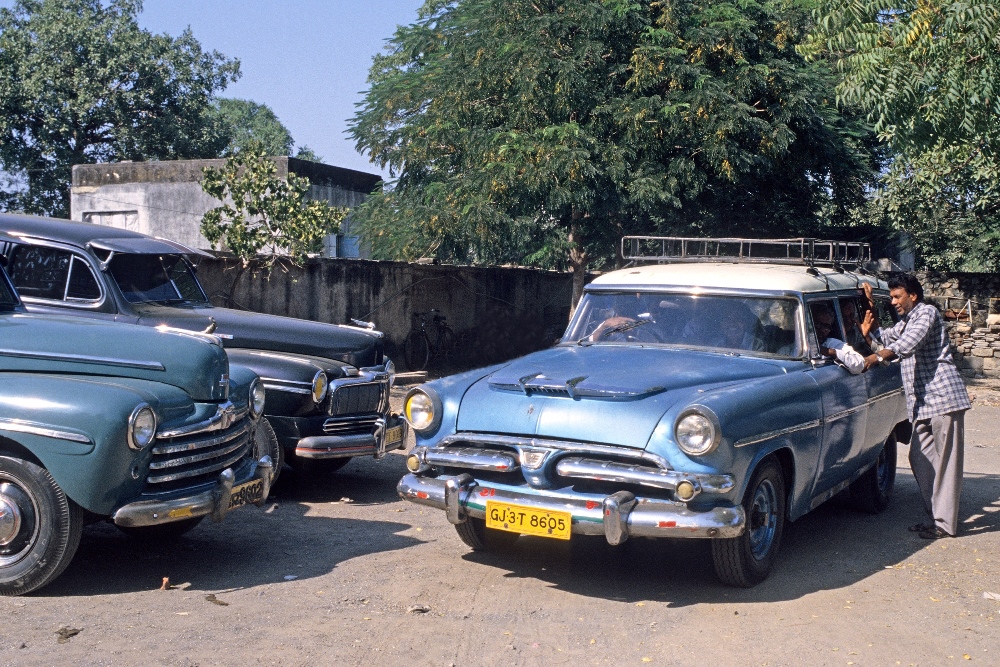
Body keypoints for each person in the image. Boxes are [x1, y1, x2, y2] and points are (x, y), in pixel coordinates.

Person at [863, 276, 971, 539]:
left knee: (945, 463)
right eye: (891, 297)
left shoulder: (927, 314)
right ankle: (936, 516)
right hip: (922, 403)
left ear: (913, 295)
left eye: (897, 297)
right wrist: (869, 314)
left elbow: (905, 346)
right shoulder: (907, 321)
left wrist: (874, 357)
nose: (894, 302)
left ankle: (945, 524)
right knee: (920, 458)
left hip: (944, 397)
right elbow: (886, 338)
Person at [811, 303, 865, 374]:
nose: (823, 330)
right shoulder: (796, 343)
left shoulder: (830, 343)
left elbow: (859, 364)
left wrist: (830, 352)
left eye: (827, 327)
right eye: (819, 325)